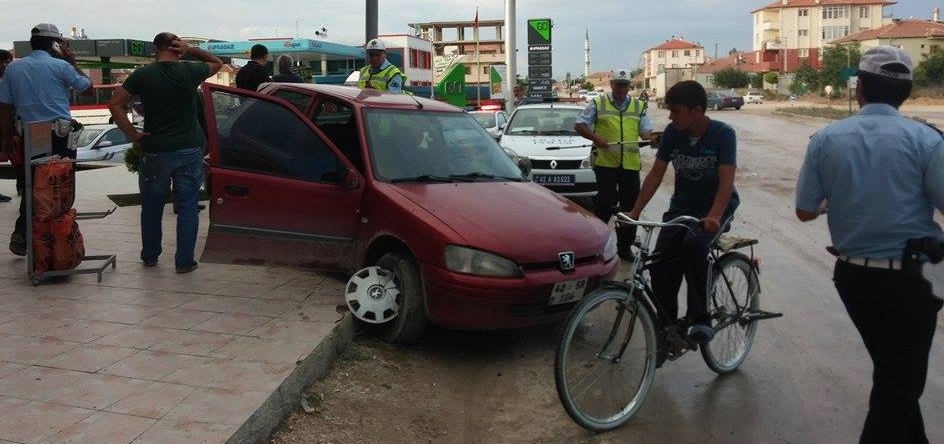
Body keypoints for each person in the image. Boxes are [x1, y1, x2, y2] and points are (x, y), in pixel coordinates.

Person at [795, 46, 943, 444]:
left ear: (859, 89)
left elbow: (805, 211)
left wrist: (842, 199)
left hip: (853, 280)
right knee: (899, 387)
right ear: (908, 93)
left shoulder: (826, 138)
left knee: (895, 378)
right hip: (913, 282)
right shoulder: (926, 140)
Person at [627, 80, 739, 344]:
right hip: (682, 207)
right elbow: (656, 174)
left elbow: (726, 182)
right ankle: (669, 328)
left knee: (693, 245)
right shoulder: (672, 133)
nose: (670, 116)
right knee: (660, 264)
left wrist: (714, 216)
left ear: (697, 111)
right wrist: (635, 210)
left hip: (716, 207)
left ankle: (701, 318)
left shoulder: (723, 134)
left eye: (675, 111)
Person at [107, 32, 222, 273]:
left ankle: (150, 256)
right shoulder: (190, 71)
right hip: (189, 150)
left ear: (154, 49)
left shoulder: (143, 75)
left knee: (151, 206)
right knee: (188, 206)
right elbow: (218, 64)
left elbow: (115, 103)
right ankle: (184, 262)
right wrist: (191, 50)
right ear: (176, 48)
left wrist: (133, 134)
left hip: (155, 150)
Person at [0, 24, 92, 256]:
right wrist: (71, 60)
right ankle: (56, 237)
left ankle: (24, 233)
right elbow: (87, 89)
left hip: (28, 134)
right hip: (58, 135)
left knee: (33, 184)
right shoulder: (61, 65)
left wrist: (7, 135)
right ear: (55, 44)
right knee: (59, 185)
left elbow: (5, 107)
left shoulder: (14, 69)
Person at [574, 68, 652, 261]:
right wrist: (596, 138)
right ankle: (595, 244)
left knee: (630, 208)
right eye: (618, 84)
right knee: (605, 204)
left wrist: (655, 138)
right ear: (611, 85)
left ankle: (624, 247)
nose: (622, 89)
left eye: (625, 85)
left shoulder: (638, 106)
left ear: (629, 86)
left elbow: (646, 134)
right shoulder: (598, 103)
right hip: (606, 165)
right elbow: (580, 125)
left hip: (630, 166)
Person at [0, 49, 15, 202]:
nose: (6, 65)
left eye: (8, 61)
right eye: (3, 61)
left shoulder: (8, 80)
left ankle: (22, 186)